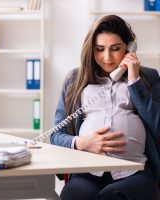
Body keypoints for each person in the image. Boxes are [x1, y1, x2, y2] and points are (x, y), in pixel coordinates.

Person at [50, 14, 160, 200]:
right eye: (99, 49)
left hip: (135, 171)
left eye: (115, 49)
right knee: (72, 195)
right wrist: (81, 142)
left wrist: (134, 80)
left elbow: (157, 127)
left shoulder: (149, 77)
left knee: (112, 196)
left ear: (129, 47)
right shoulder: (75, 80)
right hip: (88, 171)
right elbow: (55, 135)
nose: (107, 57)